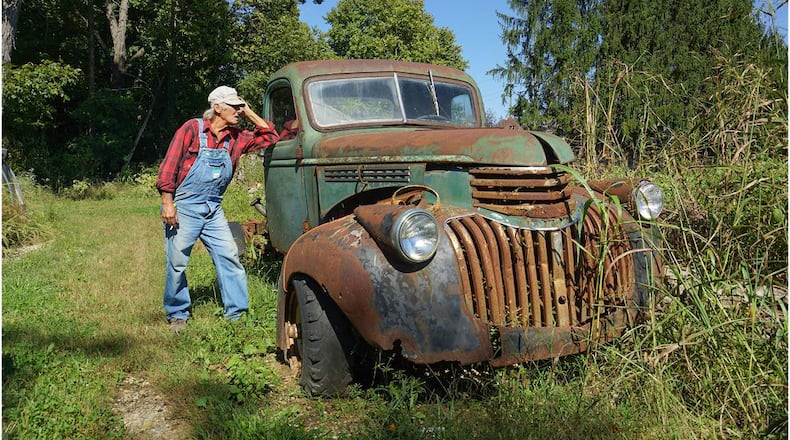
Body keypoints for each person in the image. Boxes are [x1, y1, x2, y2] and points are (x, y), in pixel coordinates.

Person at [156, 86, 280, 333]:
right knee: (178, 262)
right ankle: (178, 313)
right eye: (234, 107)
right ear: (217, 107)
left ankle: (237, 314)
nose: (238, 111)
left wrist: (249, 112)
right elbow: (170, 165)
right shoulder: (192, 129)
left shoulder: (237, 137)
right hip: (186, 206)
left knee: (229, 256)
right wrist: (168, 203)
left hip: (213, 209)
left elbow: (270, 136)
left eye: (239, 107)